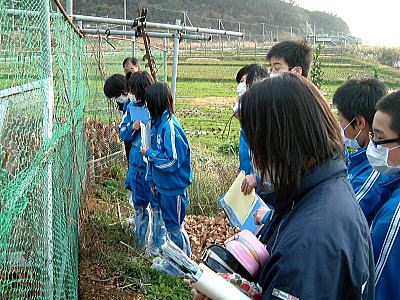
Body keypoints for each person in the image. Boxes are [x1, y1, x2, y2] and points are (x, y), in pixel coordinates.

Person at [195, 74, 375, 299]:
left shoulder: (310, 244)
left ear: (280, 144)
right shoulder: (314, 192)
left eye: (256, 144)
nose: (256, 159)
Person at [141, 82, 192, 256]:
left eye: (148, 102)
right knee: (170, 226)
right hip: (163, 186)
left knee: (175, 227)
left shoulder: (169, 126)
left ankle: (185, 264)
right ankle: (175, 260)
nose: (146, 106)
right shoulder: (157, 124)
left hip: (173, 188)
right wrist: (153, 181)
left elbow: (172, 160)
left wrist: (150, 153)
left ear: (156, 102)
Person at [119, 71, 165, 251]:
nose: (132, 95)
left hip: (153, 167)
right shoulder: (130, 108)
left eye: (135, 91)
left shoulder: (157, 110)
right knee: (139, 206)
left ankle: (157, 247)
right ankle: (139, 245)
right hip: (137, 165)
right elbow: (122, 132)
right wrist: (132, 127)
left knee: (156, 208)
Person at [333, 78, 388, 224]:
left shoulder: (374, 171)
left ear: (359, 122)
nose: (340, 126)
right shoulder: (360, 159)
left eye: (341, 120)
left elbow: (337, 218)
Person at [367, 90, 400, 299]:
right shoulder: (392, 188)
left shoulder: (395, 217)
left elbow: (375, 289)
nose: (374, 145)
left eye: (380, 138)